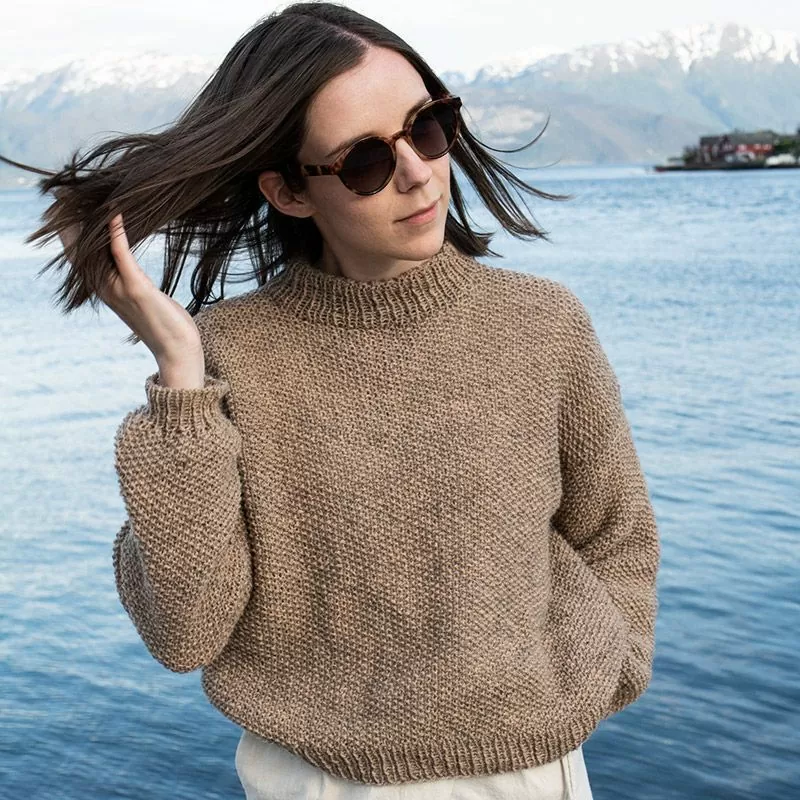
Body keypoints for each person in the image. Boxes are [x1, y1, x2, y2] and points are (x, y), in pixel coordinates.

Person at [4, 3, 661, 798]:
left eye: (426, 127)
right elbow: (185, 631)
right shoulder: (225, 356)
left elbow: (616, 533)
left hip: (533, 774)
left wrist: (610, 668)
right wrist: (179, 374)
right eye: (364, 161)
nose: (417, 172)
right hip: (316, 784)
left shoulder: (541, 324)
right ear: (288, 191)